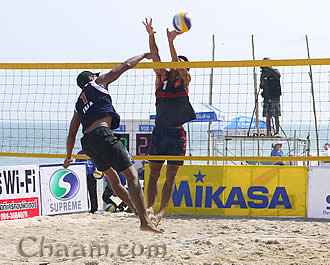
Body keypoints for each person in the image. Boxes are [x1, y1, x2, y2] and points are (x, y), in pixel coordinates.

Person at [63, 52, 163, 233]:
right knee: (132, 177)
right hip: (102, 134)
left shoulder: (79, 103)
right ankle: (144, 221)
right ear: (91, 78)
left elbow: (72, 134)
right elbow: (125, 65)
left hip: (88, 142)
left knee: (115, 181)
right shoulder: (98, 82)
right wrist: (144, 55)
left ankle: (136, 212)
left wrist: (68, 157)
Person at [143, 18, 196, 226]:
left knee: (170, 176)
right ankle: (149, 207)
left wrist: (172, 42)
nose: (178, 64)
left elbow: (176, 64)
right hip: (160, 132)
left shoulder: (185, 78)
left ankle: (161, 212)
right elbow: (156, 57)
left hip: (176, 134)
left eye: (181, 63)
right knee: (153, 173)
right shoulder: (161, 77)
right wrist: (151, 36)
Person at [260, 57, 282, 136]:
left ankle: (277, 132)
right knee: (267, 116)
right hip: (266, 97)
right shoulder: (263, 74)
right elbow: (261, 86)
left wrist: (268, 69)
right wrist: (263, 77)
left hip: (275, 97)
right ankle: (268, 132)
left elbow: (278, 75)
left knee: (276, 116)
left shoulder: (275, 72)